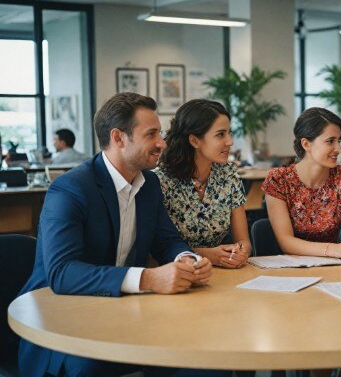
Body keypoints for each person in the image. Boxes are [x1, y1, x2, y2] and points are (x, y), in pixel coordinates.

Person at [18, 92, 213, 377]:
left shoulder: (150, 184)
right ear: (119, 138)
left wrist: (188, 259)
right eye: (151, 134)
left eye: (160, 132)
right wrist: (149, 278)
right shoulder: (71, 189)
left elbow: (166, 240)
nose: (162, 142)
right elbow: (62, 273)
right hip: (61, 325)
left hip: (123, 314)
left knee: (204, 362)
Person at [156, 99, 251, 269]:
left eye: (229, 133)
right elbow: (154, 251)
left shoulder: (229, 174)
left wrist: (240, 253)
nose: (229, 141)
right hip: (176, 274)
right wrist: (205, 254)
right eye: (220, 134)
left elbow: (243, 240)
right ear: (194, 140)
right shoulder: (160, 181)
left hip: (221, 274)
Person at [262, 107, 341, 260]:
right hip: (289, 270)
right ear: (306, 144)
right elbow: (286, 243)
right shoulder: (278, 180)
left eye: (339, 141)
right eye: (330, 141)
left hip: (334, 267)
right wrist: (333, 249)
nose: (339, 149)